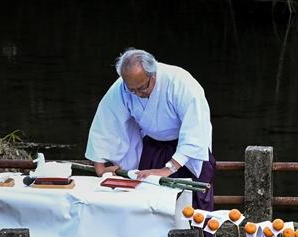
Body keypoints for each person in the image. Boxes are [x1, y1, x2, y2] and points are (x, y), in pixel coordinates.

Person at [86, 48, 215, 212]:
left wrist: (168, 169)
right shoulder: (123, 86)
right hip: (153, 149)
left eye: (142, 88)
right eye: (132, 90)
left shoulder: (180, 82)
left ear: (153, 74)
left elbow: (196, 128)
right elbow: (106, 121)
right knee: (147, 202)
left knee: (191, 209)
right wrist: (100, 165)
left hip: (187, 154)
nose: (137, 93)